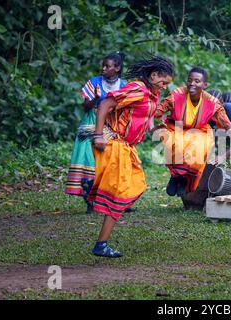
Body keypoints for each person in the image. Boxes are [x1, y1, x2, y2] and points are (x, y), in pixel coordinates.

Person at [88, 56, 174, 258]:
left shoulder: (151, 93)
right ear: (153, 76)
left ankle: (97, 199)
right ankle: (101, 244)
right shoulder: (137, 89)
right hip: (115, 143)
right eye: (163, 82)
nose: (164, 87)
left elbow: (142, 116)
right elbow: (105, 105)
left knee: (135, 185)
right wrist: (98, 135)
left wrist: (155, 128)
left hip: (127, 147)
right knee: (123, 191)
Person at [154, 67, 231, 197]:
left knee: (199, 145)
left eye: (197, 81)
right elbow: (158, 110)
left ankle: (183, 180)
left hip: (199, 132)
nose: (192, 83)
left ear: (205, 85)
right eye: (190, 80)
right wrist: (151, 120)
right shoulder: (176, 95)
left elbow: (224, 120)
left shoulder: (212, 102)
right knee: (175, 141)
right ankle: (176, 176)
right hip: (176, 128)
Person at [65, 52, 126, 213]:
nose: (103, 69)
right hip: (91, 122)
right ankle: (89, 201)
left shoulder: (124, 86)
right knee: (89, 161)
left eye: (108, 66)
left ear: (117, 68)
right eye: (103, 65)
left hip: (112, 125)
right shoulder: (94, 82)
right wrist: (95, 99)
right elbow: (85, 107)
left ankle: (117, 200)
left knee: (112, 161)